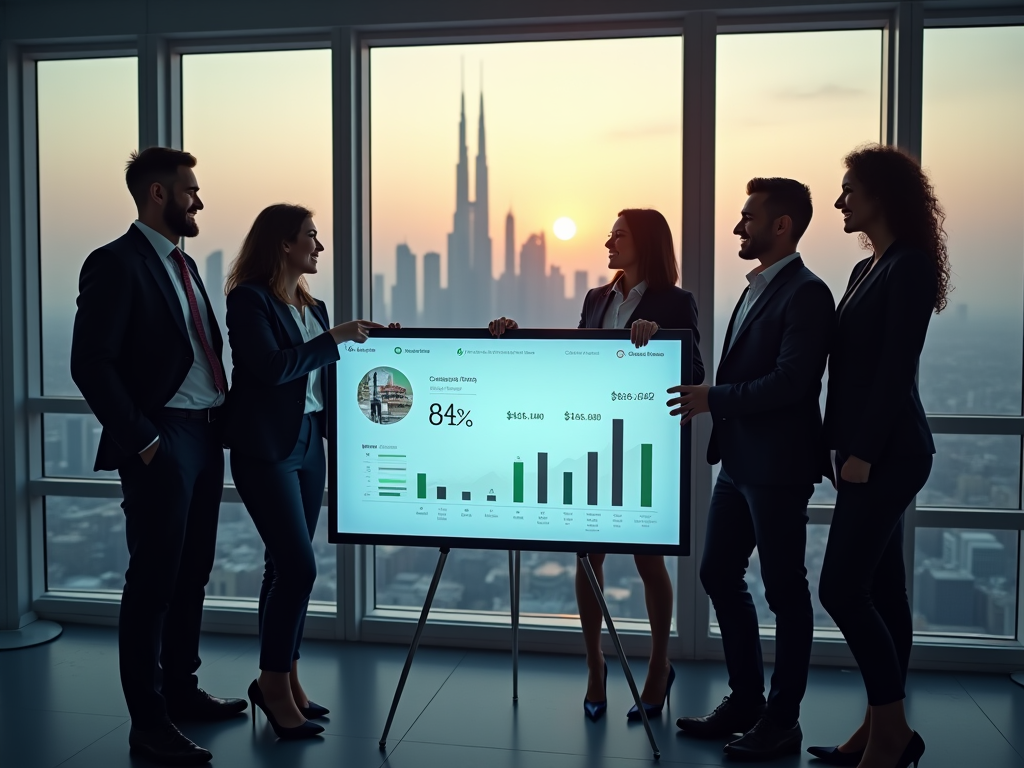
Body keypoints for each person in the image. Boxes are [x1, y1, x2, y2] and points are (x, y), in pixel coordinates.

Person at [490, 208, 704, 722]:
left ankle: (658, 665)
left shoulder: (675, 301)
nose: (607, 242)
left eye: (618, 235)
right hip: (591, 439)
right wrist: (514, 335)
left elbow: (693, 372)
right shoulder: (596, 299)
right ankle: (595, 665)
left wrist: (659, 343)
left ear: (645, 243)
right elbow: (575, 360)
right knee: (588, 557)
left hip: (639, 447)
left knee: (648, 561)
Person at [70, 147, 245, 766]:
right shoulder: (116, 264)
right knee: (151, 584)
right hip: (162, 438)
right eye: (191, 190)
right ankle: (148, 723)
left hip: (202, 436)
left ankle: (182, 691)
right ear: (158, 195)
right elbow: (91, 363)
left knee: (193, 572)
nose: (199, 200)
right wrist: (144, 441)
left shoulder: (185, 264)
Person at [668, 178, 835, 761]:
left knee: (786, 593)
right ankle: (746, 701)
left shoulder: (807, 294)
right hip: (739, 464)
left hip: (779, 467)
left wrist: (714, 398)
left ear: (782, 225)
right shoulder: (760, 288)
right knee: (718, 573)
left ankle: (782, 722)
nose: (738, 227)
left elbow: (793, 383)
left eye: (748, 217)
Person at [812, 146, 949, 768]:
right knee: (885, 592)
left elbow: (895, 370)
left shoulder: (910, 268)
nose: (840, 202)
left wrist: (862, 452)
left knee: (840, 588)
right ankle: (878, 730)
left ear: (880, 196)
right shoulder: (866, 270)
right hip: (864, 453)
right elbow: (848, 372)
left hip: (888, 454)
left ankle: (892, 734)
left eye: (848, 190)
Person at [223, 204, 381, 739]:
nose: (319, 246)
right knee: (299, 568)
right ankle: (271, 685)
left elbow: (325, 375)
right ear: (283, 243)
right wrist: (333, 339)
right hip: (266, 450)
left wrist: (370, 344)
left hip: (311, 442)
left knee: (279, 568)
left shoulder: (313, 305)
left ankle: (286, 677)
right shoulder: (249, 301)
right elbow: (270, 370)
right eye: (311, 236)